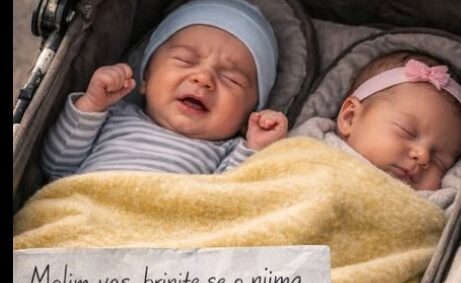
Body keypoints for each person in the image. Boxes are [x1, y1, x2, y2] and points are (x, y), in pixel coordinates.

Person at [40, 0, 287, 181]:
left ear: (247, 117)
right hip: (85, 212)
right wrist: (91, 105)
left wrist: (256, 147)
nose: (203, 78)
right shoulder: (113, 115)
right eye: (185, 60)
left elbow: (232, 202)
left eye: (231, 79)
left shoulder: (229, 154)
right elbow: (56, 164)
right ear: (146, 79)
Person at [290, 51, 461, 192]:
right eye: (406, 131)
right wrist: (271, 141)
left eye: (440, 161)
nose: (423, 156)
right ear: (350, 118)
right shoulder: (312, 143)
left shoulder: (427, 200)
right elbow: (277, 164)